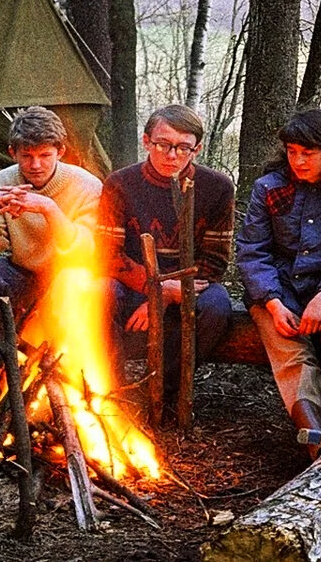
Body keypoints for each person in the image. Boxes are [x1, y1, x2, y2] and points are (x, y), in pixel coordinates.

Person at [236, 108, 321, 452]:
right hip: (278, 291)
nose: (298, 161)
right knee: (287, 345)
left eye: (308, 153)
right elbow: (252, 251)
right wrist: (272, 301)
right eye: (293, 152)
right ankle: (316, 441)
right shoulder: (269, 189)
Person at [97, 104, 235, 410]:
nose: (172, 155)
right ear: (146, 141)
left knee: (217, 307)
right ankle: (108, 388)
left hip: (190, 282)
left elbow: (215, 260)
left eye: (183, 147)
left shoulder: (217, 188)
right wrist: (155, 290)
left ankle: (168, 391)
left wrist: (170, 294)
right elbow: (108, 255)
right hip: (135, 281)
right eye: (163, 144)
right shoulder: (120, 184)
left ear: (197, 149)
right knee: (98, 293)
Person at [0, 106, 103, 360]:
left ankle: (62, 363)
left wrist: (49, 209)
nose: (36, 165)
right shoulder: (0, 182)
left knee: (75, 278)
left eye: (45, 155)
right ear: (13, 152)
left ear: (60, 152)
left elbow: (85, 254)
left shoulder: (87, 185)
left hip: (64, 275)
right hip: (22, 272)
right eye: (27, 156)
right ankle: (0, 364)